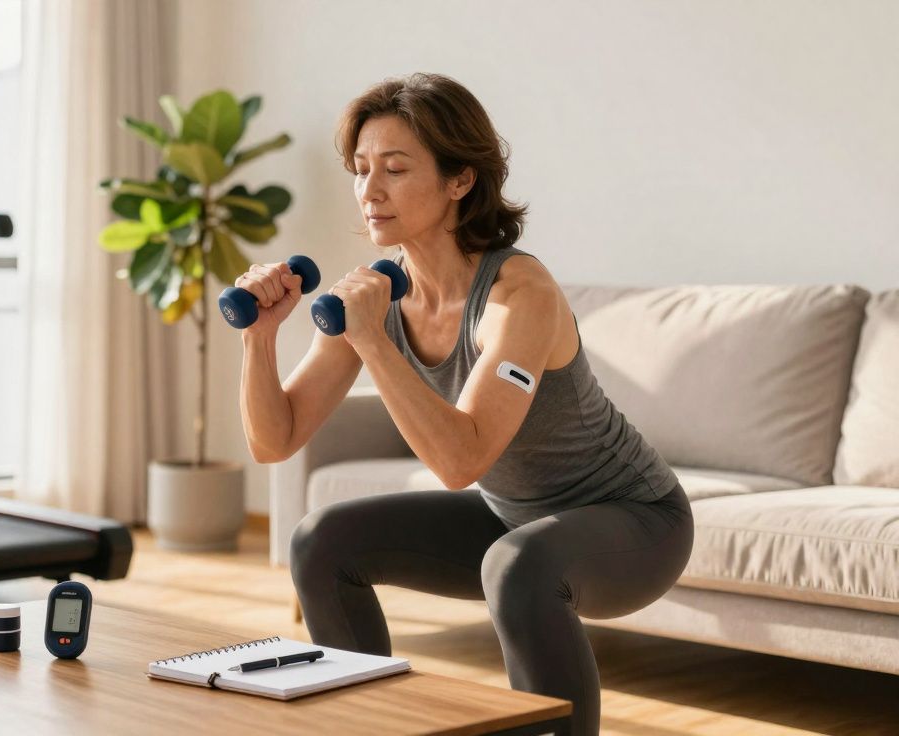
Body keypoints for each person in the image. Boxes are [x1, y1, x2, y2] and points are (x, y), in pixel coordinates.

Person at [236, 73, 693, 736]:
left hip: (637, 522)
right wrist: (261, 338)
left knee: (518, 566)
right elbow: (273, 441)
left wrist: (368, 336)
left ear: (461, 180)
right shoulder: (379, 296)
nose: (370, 190)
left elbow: (461, 458)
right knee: (321, 542)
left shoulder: (519, 293)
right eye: (361, 170)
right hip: (514, 517)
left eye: (395, 168)